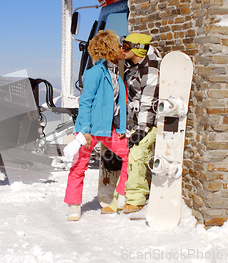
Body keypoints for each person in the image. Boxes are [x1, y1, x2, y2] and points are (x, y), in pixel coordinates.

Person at [64, 30, 128, 221]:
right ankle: (74, 206)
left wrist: (122, 129)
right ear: (108, 48)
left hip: (109, 129)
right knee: (79, 166)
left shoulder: (115, 72)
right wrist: (84, 132)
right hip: (90, 130)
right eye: (117, 45)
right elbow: (85, 103)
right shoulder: (93, 73)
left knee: (129, 155)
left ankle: (122, 194)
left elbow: (119, 105)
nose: (120, 49)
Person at [120, 33, 162, 214]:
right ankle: (129, 194)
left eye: (126, 46)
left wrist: (142, 130)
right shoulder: (135, 65)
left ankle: (136, 199)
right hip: (136, 121)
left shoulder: (151, 67)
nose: (123, 49)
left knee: (137, 153)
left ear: (137, 48)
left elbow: (148, 100)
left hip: (149, 123)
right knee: (132, 154)